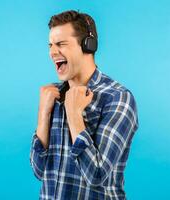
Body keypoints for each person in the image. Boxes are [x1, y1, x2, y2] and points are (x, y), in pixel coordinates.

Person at [29, 10, 139, 200]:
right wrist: (43, 115)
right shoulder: (53, 96)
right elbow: (39, 171)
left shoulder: (117, 98)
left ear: (88, 46)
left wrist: (74, 115)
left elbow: (97, 174)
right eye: (50, 45)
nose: (52, 52)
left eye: (61, 44)